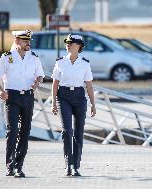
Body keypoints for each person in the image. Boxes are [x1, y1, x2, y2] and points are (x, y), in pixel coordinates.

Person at [0, 30, 44, 178]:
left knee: (25, 131)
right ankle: (10, 165)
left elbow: (40, 74)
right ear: (16, 41)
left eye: (29, 40)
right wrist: (0, 90)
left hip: (27, 97)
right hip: (12, 96)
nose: (28, 43)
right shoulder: (7, 57)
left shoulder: (34, 58)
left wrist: (37, 81)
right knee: (13, 130)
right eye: (24, 40)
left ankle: (18, 166)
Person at [51, 34, 96, 176]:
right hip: (63, 96)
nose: (68, 45)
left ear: (79, 46)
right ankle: (68, 165)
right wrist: (53, 101)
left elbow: (89, 85)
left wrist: (93, 104)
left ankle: (76, 165)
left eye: (72, 43)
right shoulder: (60, 62)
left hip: (79, 97)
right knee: (66, 131)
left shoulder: (85, 63)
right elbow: (55, 83)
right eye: (67, 43)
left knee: (78, 131)